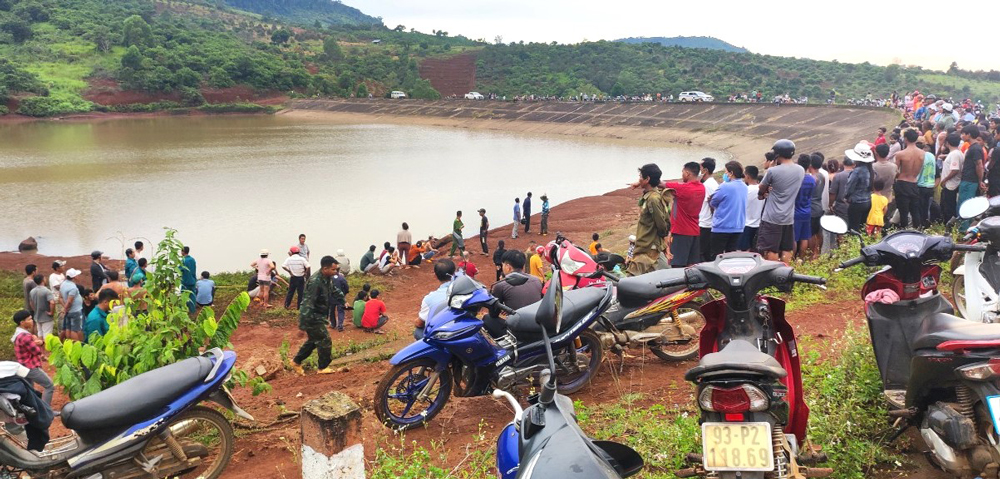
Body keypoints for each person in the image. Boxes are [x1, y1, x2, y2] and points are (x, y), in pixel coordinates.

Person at [291, 256, 344, 375]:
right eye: (333, 269)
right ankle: (322, 367)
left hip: (319, 315)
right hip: (312, 316)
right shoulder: (315, 282)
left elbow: (334, 290)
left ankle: (296, 361)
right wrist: (302, 325)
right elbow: (307, 303)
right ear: (325, 269)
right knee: (325, 340)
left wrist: (343, 300)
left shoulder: (326, 278)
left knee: (314, 340)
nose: (335, 272)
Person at [757, 139, 804, 262]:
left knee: (771, 249)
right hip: (788, 216)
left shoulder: (773, 171)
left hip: (772, 217)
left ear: (777, 154)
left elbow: (762, 187)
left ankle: (773, 275)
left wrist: (769, 171)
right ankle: (785, 273)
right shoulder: (800, 170)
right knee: (786, 248)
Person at [664, 162, 706, 267]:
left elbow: (661, 184)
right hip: (695, 231)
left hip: (681, 232)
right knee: (691, 265)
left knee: (677, 265)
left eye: (682, 172)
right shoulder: (702, 188)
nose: (682, 175)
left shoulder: (683, 189)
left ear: (687, 173)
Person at [11, 310, 54, 405]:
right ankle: (46, 411)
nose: (32, 321)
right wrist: (40, 342)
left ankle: (33, 410)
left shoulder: (18, 333)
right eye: (29, 319)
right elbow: (37, 351)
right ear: (22, 322)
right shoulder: (25, 336)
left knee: (29, 389)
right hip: (30, 367)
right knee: (49, 385)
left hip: (22, 366)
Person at [709, 161, 748, 257]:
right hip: (738, 226)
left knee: (716, 256)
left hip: (722, 226)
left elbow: (713, 202)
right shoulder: (744, 186)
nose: (725, 174)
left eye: (726, 172)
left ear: (731, 173)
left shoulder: (725, 186)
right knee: (731, 256)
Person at [414, 259, 455, 339]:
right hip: (461, 329)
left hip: (442, 335)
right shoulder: (464, 289)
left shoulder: (429, 299)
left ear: (435, 276)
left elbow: (420, 323)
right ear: (454, 273)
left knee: (418, 331)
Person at [892, 130, 924, 229]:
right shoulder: (922, 153)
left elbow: (895, 171)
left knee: (903, 212)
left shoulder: (900, 154)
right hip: (914, 182)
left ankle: (904, 231)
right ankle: (918, 230)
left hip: (902, 182)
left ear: (905, 139)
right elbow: (919, 170)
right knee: (915, 211)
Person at [844, 142, 876, 232]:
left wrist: (846, 197)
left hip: (856, 203)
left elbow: (849, 188)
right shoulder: (871, 170)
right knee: (862, 227)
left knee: (853, 228)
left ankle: (856, 245)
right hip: (867, 201)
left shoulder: (857, 171)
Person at [959, 125, 985, 230]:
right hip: (968, 180)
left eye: (963, 133)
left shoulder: (975, 148)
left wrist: (980, 181)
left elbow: (979, 165)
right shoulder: (973, 147)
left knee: (965, 206)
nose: (962, 136)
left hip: (970, 181)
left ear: (969, 134)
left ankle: (963, 230)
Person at [793, 155, 817, 258]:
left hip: (795, 211)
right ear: (809, 165)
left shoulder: (796, 178)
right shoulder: (812, 179)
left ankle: (792, 258)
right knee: (804, 237)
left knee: (793, 238)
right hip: (806, 210)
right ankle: (802, 258)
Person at [697, 158, 719, 262]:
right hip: (708, 223)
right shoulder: (712, 183)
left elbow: (712, 205)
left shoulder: (708, 185)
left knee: (701, 252)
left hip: (705, 223)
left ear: (705, 170)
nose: (698, 169)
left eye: (700, 167)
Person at [940, 133, 964, 222]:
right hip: (952, 184)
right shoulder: (957, 153)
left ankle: (949, 226)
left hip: (951, 185)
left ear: (947, 143)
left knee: (949, 208)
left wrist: (945, 180)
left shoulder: (954, 154)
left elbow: (955, 170)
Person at [739, 166, 763, 251]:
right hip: (759, 224)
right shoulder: (762, 189)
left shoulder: (745, 190)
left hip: (746, 224)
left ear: (747, 176)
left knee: (744, 250)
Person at [808, 154, 828, 258]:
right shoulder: (822, 176)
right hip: (819, 206)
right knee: (818, 232)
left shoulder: (812, 178)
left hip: (811, 208)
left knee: (810, 234)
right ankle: (818, 253)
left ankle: (811, 254)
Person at [916, 141, 938, 228]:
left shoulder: (919, 156)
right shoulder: (931, 155)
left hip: (920, 185)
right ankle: (926, 226)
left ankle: (920, 226)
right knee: (926, 208)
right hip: (930, 185)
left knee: (919, 209)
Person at [60, 268, 84, 342]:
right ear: (74, 277)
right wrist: (65, 309)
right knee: (75, 329)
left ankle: (69, 342)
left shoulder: (63, 284)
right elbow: (70, 301)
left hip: (69, 311)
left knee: (68, 328)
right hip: (75, 310)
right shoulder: (72, 287)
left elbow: (60, 297)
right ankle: (78, 344)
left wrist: (65, 308)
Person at [28, 275, 55, 339]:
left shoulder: (32, 291)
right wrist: (51, 312)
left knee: (40, 333)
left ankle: (40, 348)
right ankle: (46, 349)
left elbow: (31, 303)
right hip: (46, 317)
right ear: (43, 280)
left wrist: (35, 310)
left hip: (37, 316)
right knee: (47, 336)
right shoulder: (47, 291)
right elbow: (52, 302)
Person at [330, 267, 349, 332]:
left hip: (331, 298)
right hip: (340, 298)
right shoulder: (342, 278)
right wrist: (344, 294)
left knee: (332, 311)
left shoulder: (329, 278)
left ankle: (333, 324)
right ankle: (340, 325)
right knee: (340, 311)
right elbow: (346, 287)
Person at [181, 246, 197, 313]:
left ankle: (184, 310)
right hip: (193, 281)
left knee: (184, 297)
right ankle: (192, 311)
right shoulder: (192, 259)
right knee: (192, 296)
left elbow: (179, 270)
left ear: (183, 252)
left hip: (185, 282)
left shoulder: (183, 260)